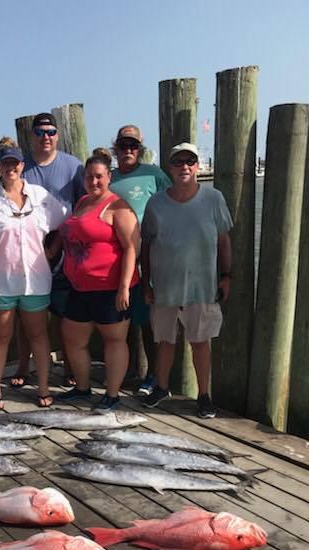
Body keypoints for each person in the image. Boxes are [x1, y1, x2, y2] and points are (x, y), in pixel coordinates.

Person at [140, 142, 233, 419]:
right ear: (169, 168)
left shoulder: (214, 198)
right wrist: (146, 284)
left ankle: (204, 395)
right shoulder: (155, 203)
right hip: (164, 287)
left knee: (201, 343)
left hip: (201, 287)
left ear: (197, 166)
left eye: (189, 161)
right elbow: (146, 245)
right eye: (178, 162)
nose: (184, 167)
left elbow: (224, 240)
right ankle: (162, 387)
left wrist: (227, 276)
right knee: (165, 341)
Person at [0, 146, 67, 411]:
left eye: (15, 163)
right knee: (0, 337)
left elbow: (64, 223)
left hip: (36, 281)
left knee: (38, 335)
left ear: (22, 166)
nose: (10, 168)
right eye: (5, 164)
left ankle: (44, 388)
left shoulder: (41, 196)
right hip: (1, 283)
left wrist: (51, 250)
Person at [58, 149, 139, 412]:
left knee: (114, 341)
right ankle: (82, 388)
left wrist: (124, 286)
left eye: (99, 177)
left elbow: (130, 248)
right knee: (73, 338)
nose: (94, 182)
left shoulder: (118, 207)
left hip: (110, 288)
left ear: (109, 177)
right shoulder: (82, 202)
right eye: (90, 177)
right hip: (80, 287)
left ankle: (112, 394)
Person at [9, 112, 85, 388]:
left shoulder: (73, 166)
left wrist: (57, 245)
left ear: (58, 135)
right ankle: (22, 365)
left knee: (64, 312)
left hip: (64, 249)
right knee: (26, 314)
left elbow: (83, 205)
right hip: (27, 251)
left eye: (51, 132)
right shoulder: (20, 166)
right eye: (40, 132)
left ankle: (67, 367)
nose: (46, 137)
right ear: (32, 136)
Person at [110, 124, 171, 395]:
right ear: (116, 149)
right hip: (118, 258)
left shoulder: (153, 174)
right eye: (123, 146)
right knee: (126, 315)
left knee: (148, 316)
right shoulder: (108, 178)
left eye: (133, 146)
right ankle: (133, 370)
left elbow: (172, 202)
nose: (128, 150)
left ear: (140, 149)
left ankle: (155, 376)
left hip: (149, 254)